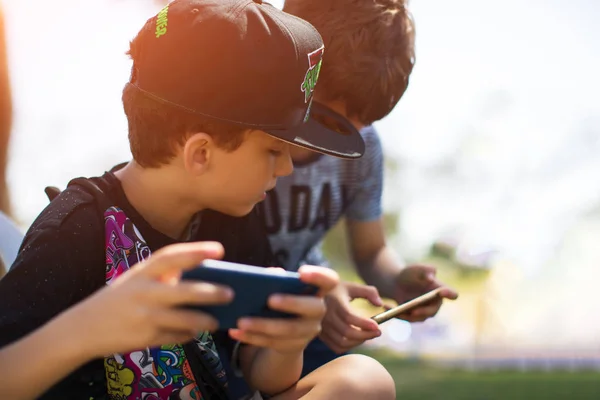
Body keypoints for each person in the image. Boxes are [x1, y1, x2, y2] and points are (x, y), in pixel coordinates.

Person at [0, 1, 395, 399]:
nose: (287, 169)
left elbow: (264, 377)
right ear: (201, 154)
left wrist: (286, 340)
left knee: (363, 380)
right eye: (274, 151)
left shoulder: (234, 218)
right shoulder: (75, 229)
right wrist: (86, 330)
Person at [257, 0, 459, 376]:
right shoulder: (247, 131)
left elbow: (371, 250)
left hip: (308, 317)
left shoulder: (364, 150)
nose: (345, 136)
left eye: (363, 121)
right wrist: (312, 291)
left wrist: (398, 282)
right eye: (328, 117)